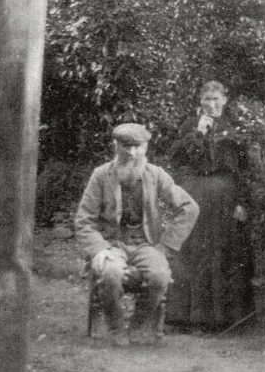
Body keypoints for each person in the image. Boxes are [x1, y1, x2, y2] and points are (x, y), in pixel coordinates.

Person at [75, 123, 199, 346]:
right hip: (112, 244)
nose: (132, 153)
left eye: (137, 147)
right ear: (116, 146)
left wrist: (166, 245)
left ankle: (139, 325)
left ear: (146, 148)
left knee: (160, 275)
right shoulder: (101, 176)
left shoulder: (156, 175)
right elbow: (84, 219)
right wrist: (98, 248)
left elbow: (189, 207)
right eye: (126, 146)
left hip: (146, 244)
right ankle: (115, 327)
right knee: (111, 272)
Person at [169, 80, 254, 328]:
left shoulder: (234, 128)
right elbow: (176, 157)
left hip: (224, 198)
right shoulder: (189, 125)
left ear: (225, 101)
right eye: (207, 100)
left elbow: (244, 169)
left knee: (222, 253)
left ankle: (219, 320)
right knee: (193, 252)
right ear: (201, 101)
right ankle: (186, 317)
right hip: (195, 196)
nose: (212, 104)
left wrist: (242, 201)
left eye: (217, 100)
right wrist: (198, 133)